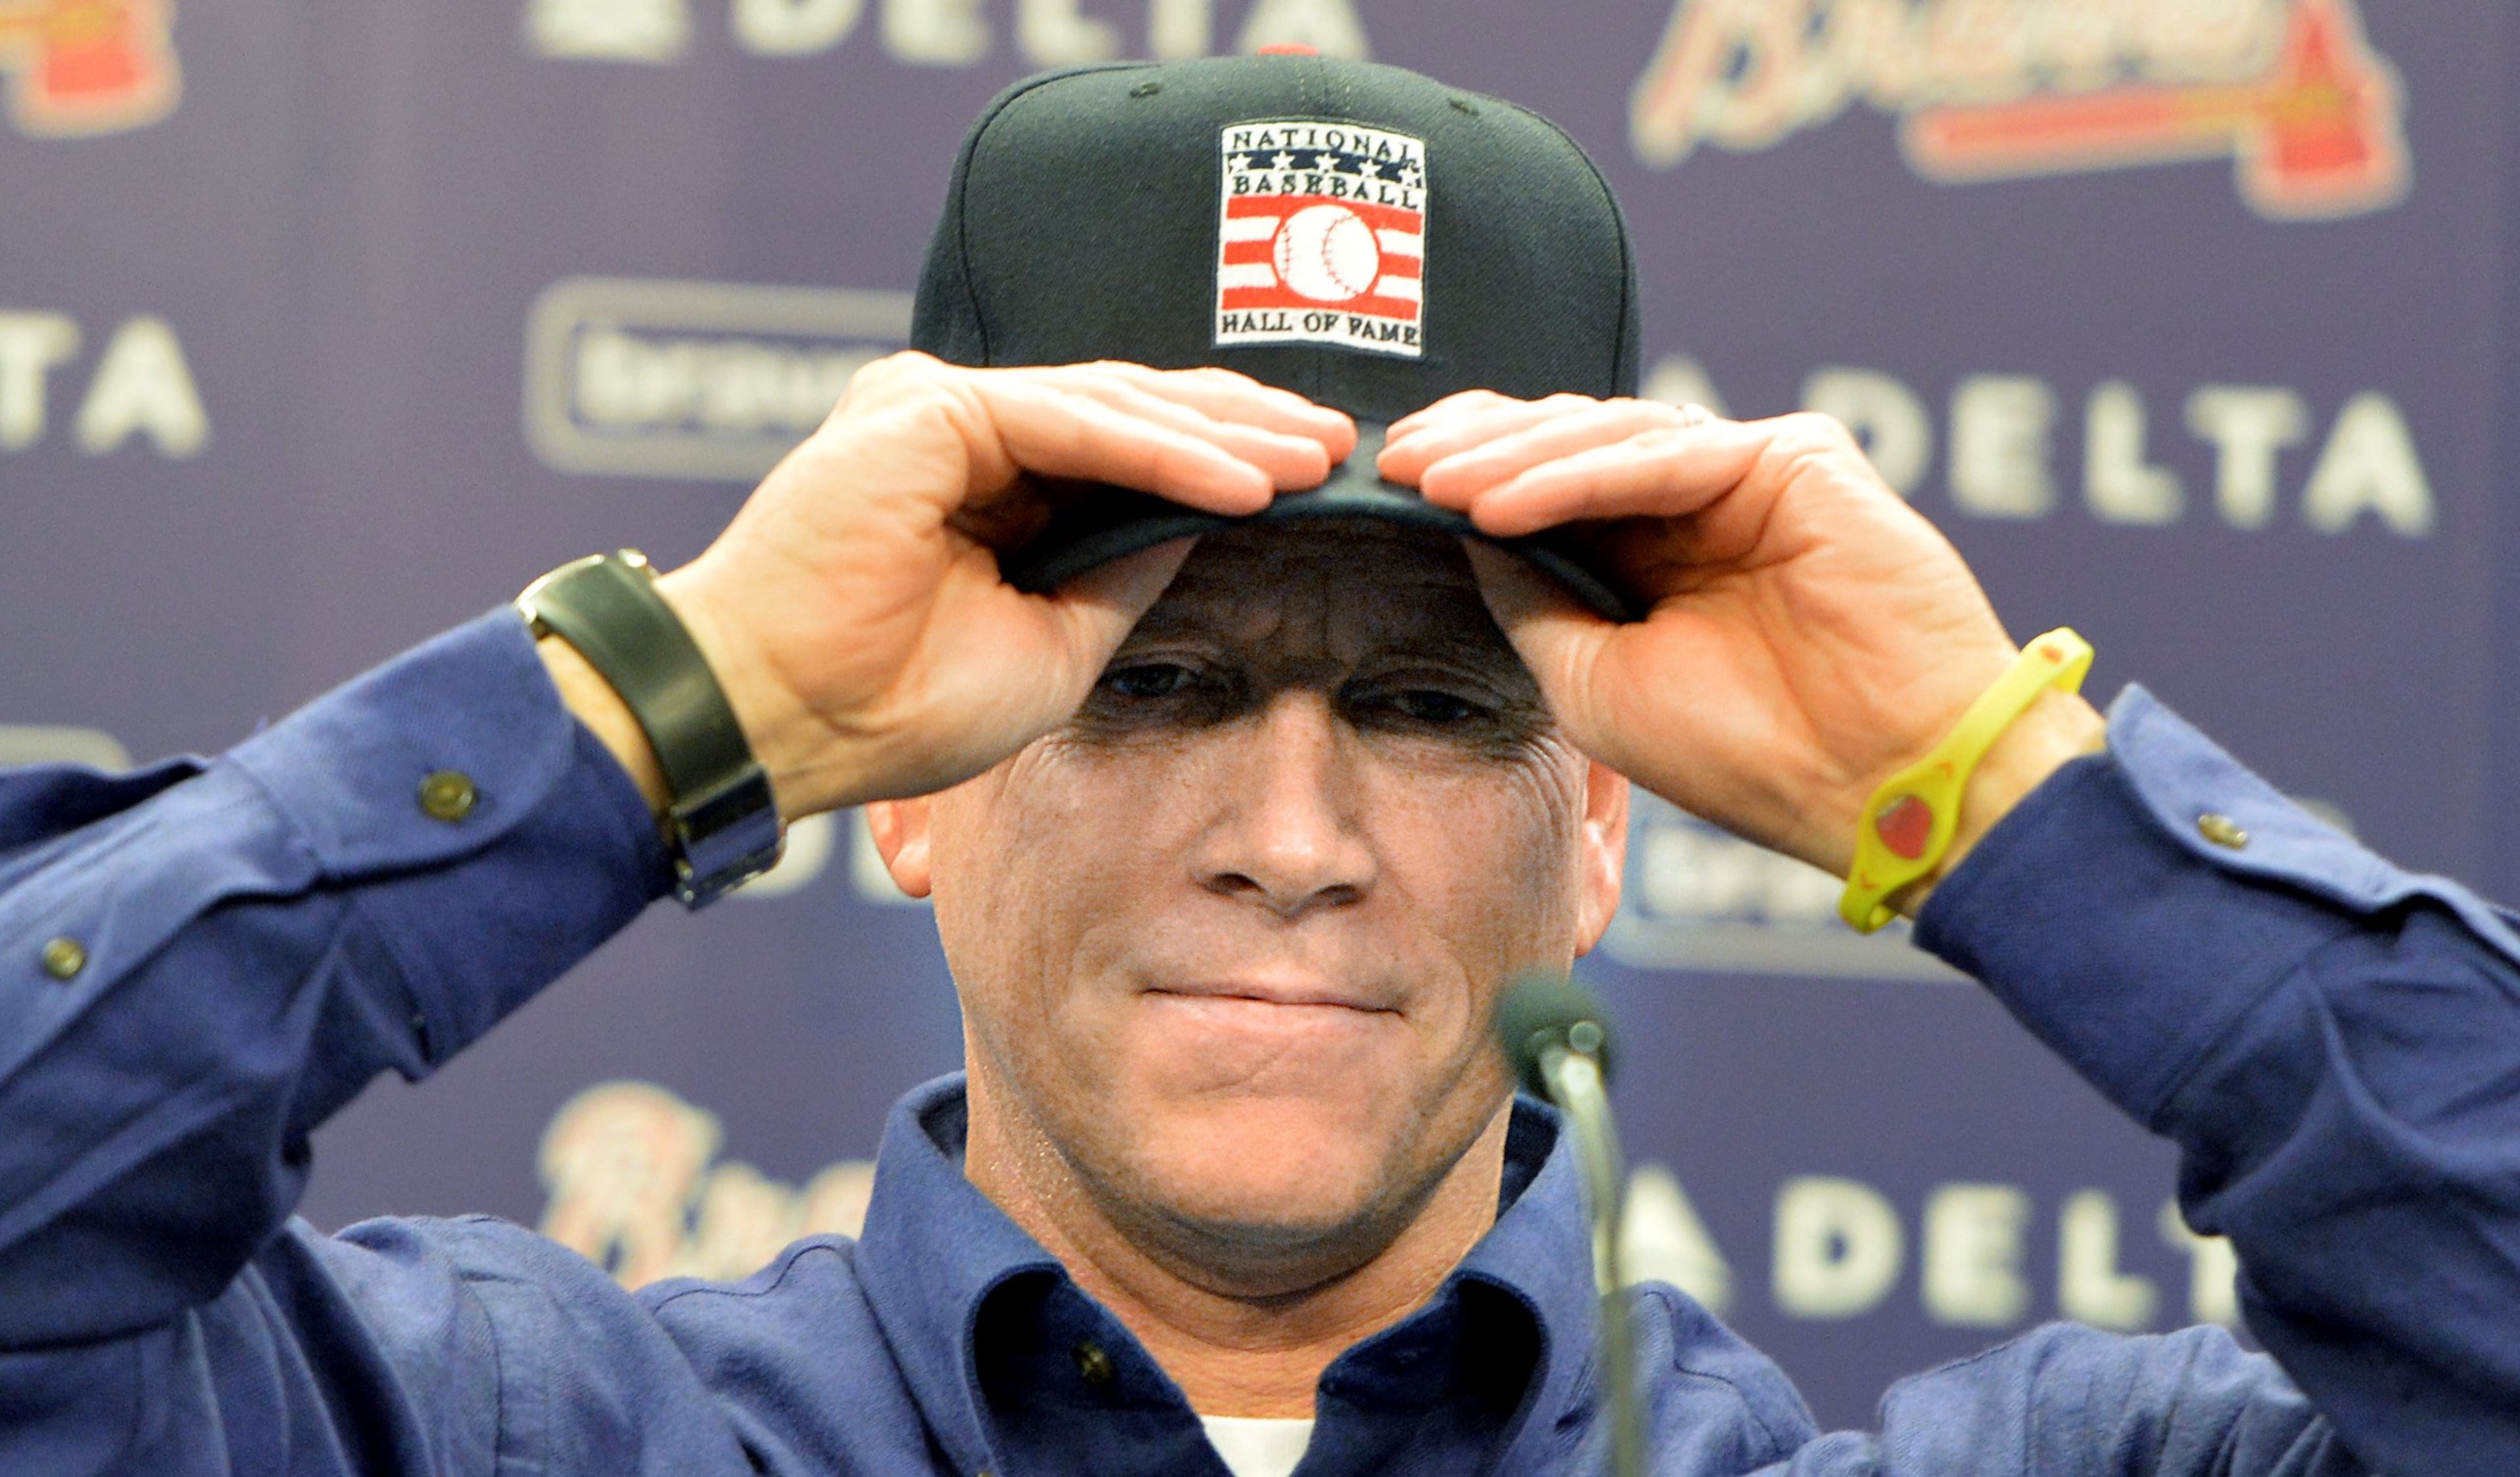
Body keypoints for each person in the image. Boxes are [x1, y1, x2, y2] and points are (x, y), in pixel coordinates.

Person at [1, 50, 2514, 1477]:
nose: (1293, 840)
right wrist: (661, 710)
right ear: (898, 771)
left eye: (1430, 703)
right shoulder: (479, 1434)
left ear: (1605, 816)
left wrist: (2002, 797)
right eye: (1152, 676)